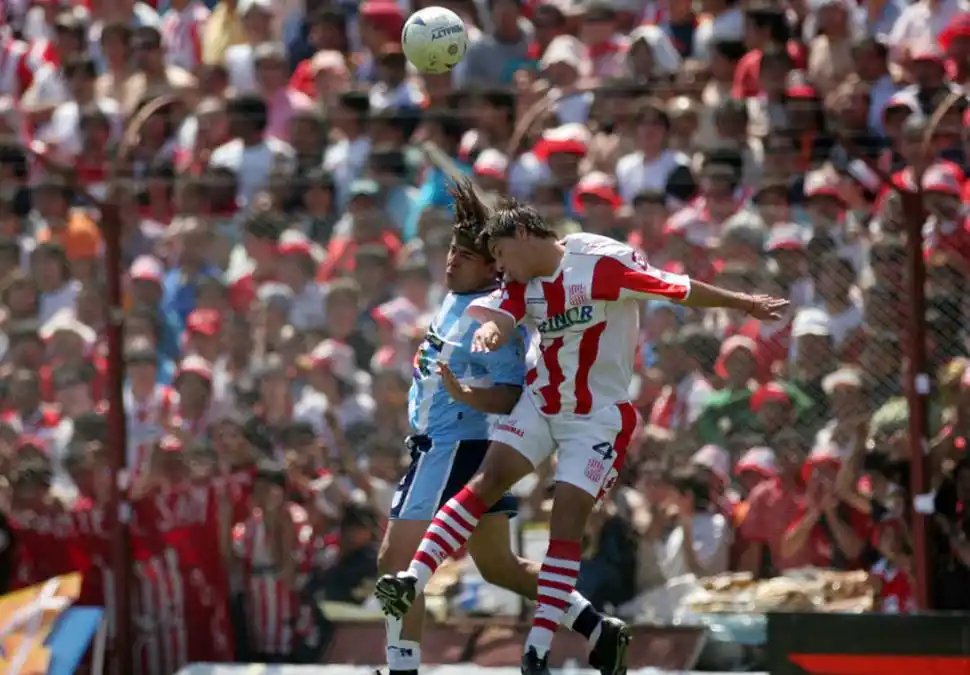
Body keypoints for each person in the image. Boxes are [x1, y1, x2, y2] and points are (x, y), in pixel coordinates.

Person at [375, 197, 788, 674]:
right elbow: (503, 312)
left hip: (593, 419)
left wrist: (744, 304)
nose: (500, 268)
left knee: (563, 525)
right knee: (489, 510)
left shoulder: (601, 264)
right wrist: (492, 331)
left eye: (500, 254)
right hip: (541, 403)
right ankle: (414, 583)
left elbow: (677, 288)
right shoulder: (518, 283)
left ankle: (536, 650)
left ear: (522, 237)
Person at [376, 181, 628, 675]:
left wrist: (466, 396)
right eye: (453, 251)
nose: (453, 262)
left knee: (394, 561)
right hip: (459, 449)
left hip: (452, 448)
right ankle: (597, 627)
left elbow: (512, 392)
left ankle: (401, 667)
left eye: (467, 257)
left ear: (493, 267)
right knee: (498, 567)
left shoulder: (494, 314)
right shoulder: (459, 297)